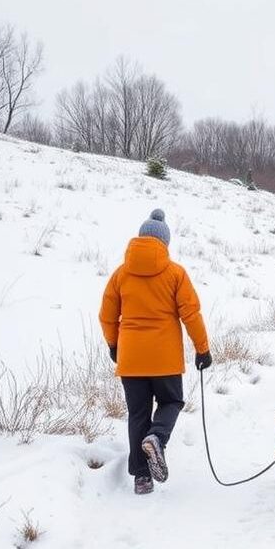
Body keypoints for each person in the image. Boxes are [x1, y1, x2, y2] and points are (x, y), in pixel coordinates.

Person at [99, 209, 213, 494]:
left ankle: (141, 478)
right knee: (171, 402)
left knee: (138, 414)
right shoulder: (175, 273)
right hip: (165, 360)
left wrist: (114, 345)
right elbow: (191, 313)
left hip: (131, 360)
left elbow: (106, 316)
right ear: (164, 242)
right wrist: (202, 349)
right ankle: (157, 438)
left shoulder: (120, 275)